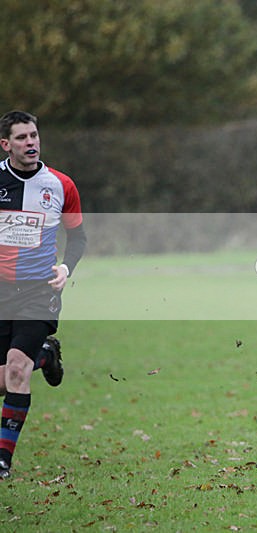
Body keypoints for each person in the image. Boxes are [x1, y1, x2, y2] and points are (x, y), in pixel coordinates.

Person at [0, 110, 86, 479]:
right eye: (21, 137)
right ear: (6, 144)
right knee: (6, 380)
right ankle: (46, 356)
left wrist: (66, 268)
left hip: (38, 292)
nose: (31, 142)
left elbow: (78, 238)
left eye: (33, 135)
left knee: (17, 367)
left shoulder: (61, 184)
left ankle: (2, 460)